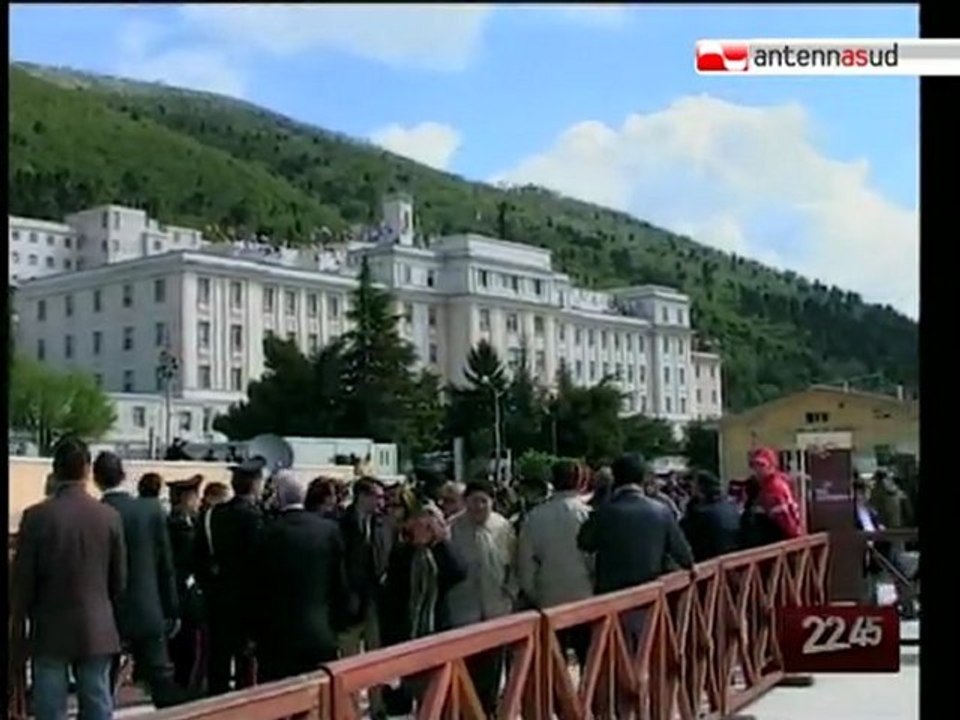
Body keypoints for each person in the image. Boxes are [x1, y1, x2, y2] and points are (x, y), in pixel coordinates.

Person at [11, 437, 127, 720]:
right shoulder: (109, 516)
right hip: (97, 624)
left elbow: (23, 578)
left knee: (50, 705)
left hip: (49, 625)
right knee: (97, 700)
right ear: (87, 470)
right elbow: (119, 579)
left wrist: (19, 619)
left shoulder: (36, 517)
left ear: (55, 470)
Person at [93, 452, 186, 708]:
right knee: (161, 682)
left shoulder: (96, 513)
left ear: (95, 478)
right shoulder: (151, 510)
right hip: (148, 607)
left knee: (102, 684)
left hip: (108, 612)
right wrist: (172, 609)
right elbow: (165, 566)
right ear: (123, 475)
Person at [253, 471, 347, 682]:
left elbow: (257, 587)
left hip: (276, 637)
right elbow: (339, 582)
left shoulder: (267, 532)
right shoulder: (328, 530)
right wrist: (338, 625)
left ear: (278, 497)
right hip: (319, 632)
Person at [380, 501, 467, 715]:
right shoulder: (402, 553)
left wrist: (442, 539)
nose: (421, 528)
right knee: (404, 696)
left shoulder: (440, 552)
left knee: (436, 695)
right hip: (406, 631)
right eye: (418, 523)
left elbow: (458, 572)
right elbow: (393, 594)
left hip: (435, 628)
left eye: (427, 525)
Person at [447, 480, 517, 715]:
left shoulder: (503, 526)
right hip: (463, 609)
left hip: (495, 607)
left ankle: (488, 710)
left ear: (492, 502)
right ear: (465, 502)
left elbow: (515, 564)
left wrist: (511, 591)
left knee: (493, 666)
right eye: (473, 500)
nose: (478, 506)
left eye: (483, 501)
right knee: (467, 668)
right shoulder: (453, 528)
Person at [196, 457, 266, 696]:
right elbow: (259, 564)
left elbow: (199, 558)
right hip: (248, 602)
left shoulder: (214, 515)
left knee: (218, 663)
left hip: (218, 598)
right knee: (246, 665)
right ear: (255, 484)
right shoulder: (256, 518)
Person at [578, 453, 694, 595]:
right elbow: (684, 556)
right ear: (643, 478)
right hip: (650, 595)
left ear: (615, 478)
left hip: (612, 598)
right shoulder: (662, 510)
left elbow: (584, 542)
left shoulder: (605, 511)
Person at [517, 460, 594, 665]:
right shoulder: (587, 514)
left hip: (548, 597)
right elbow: (594, 558)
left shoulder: (534, 516)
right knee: (588, 658)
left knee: (552, 664)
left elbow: (525, 561)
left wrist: (533, 593)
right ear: (580, 481)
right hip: (584, 596)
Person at [338, 477, 390, 719]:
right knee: (349, 659)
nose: (381, 502)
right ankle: (351, 709)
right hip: (350, 601)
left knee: (376, 656)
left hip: (375, 601)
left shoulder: (382, 524)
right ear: (362, 496)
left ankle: (377, 706)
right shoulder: (341, 523)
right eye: (377, 496)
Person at [166, 475, 204, 690]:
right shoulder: (183, 527)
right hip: (185, 594)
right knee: (187, 650)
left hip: (175, 594)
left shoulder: (173, 523)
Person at [680, 471, 742, 561]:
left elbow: (684, 533)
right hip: (734, 561)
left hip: (711, 563)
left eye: (693, 487)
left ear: (700, 490)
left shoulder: (701, 513)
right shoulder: (731, 506)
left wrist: (691, 505)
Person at [744, 447, 803, 540]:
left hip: (781, 542)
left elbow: (788, 523)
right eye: (754, 465)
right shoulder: (764, 485)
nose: (757, 469)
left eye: (761, 465)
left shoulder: (774, 488)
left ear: (772, 466)